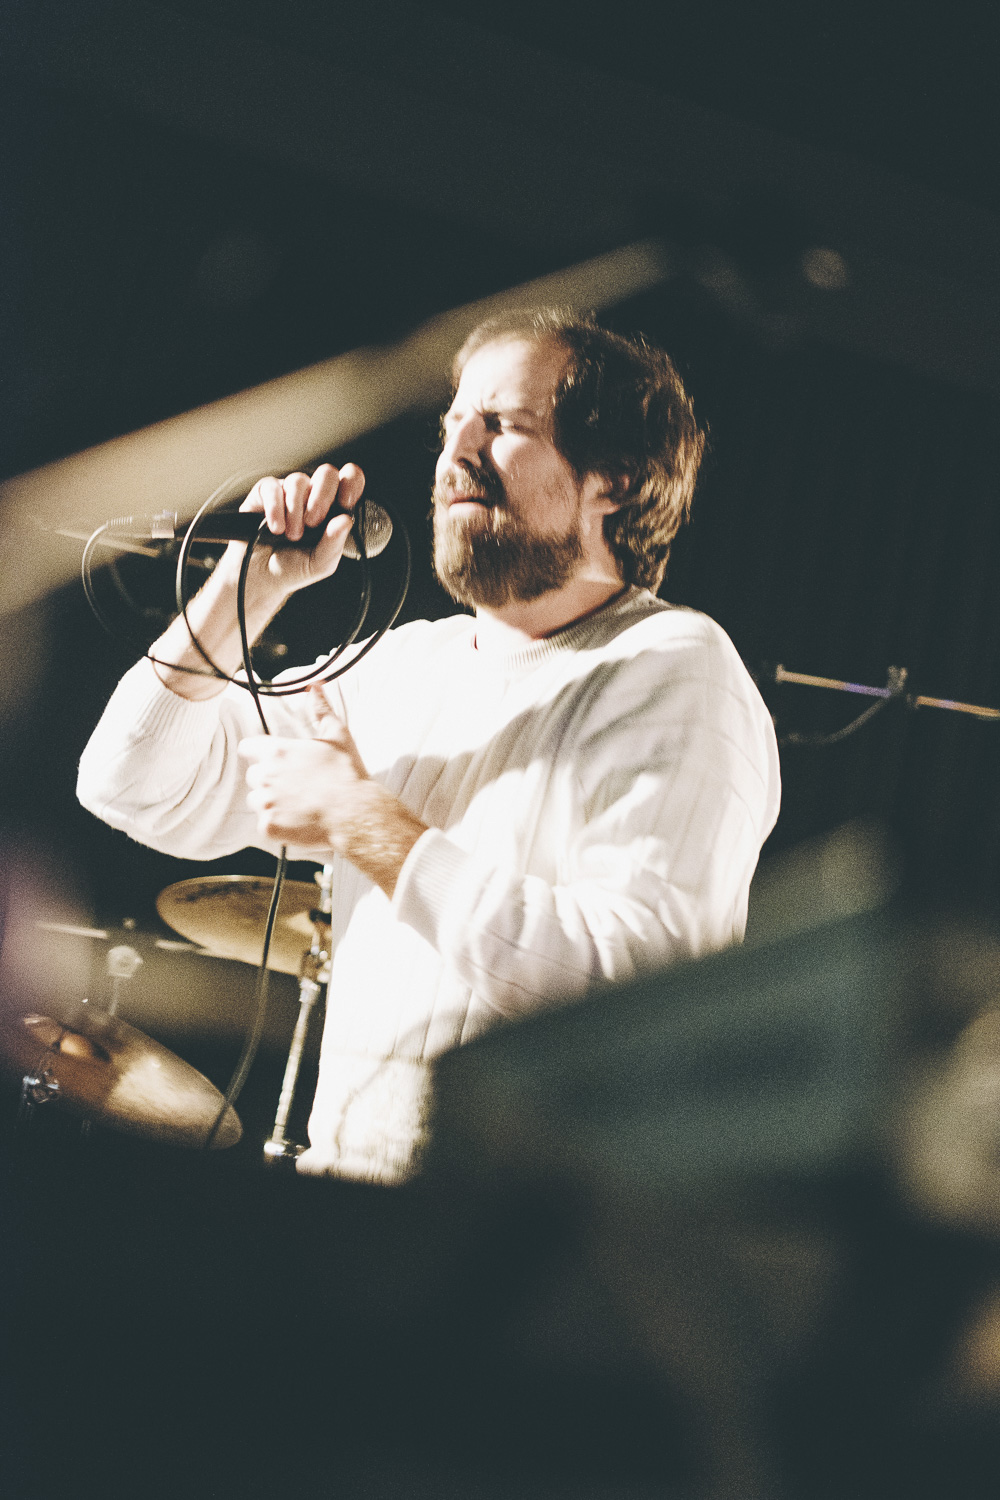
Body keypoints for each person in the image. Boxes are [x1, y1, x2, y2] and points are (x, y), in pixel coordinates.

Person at [77, 308, 780, 1185]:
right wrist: (246, 589)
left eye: (502, 424)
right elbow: (128, 782)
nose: (455, 453)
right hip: (350, 1196)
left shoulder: (673, 668)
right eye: (453, 423)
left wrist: (362, 820)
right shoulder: (406, 666)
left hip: (518, 1226)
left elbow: (637, 996)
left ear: (615, 482)